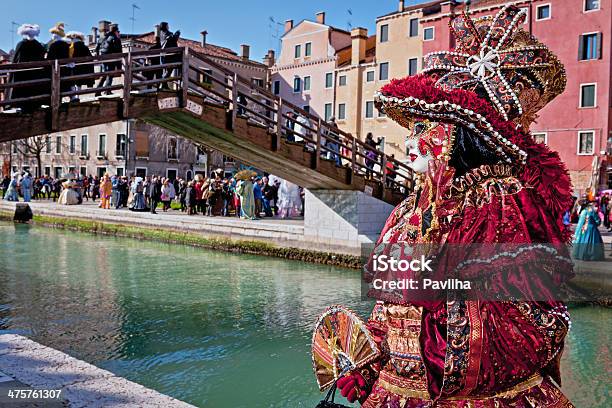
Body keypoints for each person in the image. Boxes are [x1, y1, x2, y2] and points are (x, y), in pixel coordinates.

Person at [321, 6, 575, 407]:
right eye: (413, 128)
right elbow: (387, 307)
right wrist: (366, 358)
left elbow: (530, 322)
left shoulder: (496, 204)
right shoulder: (407, 212)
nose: (410, 140)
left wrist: (443, 309)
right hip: (396, 393)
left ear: (459, 135)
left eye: (425, 128)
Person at [8, 24, 46, 113]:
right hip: (34, 73)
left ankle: (23, 104)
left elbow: (15, 59)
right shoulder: (38, 45)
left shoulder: (22, 44)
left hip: (24, 73)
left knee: (24, 89)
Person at [65, 31, 94, 102]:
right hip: (83, 68)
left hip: (73, 67)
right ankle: (77, 96)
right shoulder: (84, 47)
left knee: (72, 82)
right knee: (79, 83)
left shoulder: (70, 46)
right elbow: (90, 58)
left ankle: (73, 97)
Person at [95, 24, 122, 96]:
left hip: (103, 58)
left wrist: (98, 57)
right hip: (111, 58)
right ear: (116, 31)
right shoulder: (115, 38)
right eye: (118, 31)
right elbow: (119, 52)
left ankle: (98, 90)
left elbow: (96, 48)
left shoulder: (102, 37)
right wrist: (119, 66)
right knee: (110, 74)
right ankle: (107, 90)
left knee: (104, 74)